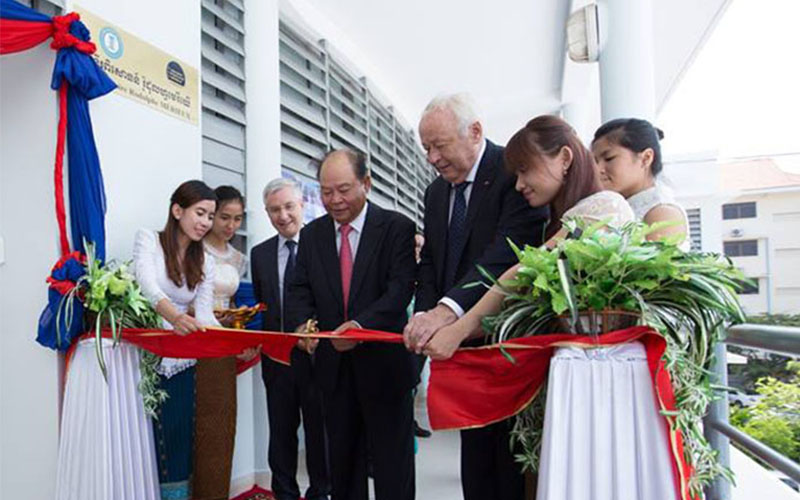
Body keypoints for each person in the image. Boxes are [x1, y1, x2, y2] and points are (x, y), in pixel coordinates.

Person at [425, 116, 678, 500]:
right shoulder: (566, 216)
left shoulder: (603, 207)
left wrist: (458, 327)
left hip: (595, 391)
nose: (521, 184)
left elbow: (522, 274)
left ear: (563, 158)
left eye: (525, 171)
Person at [404, 93, 549, 500]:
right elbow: (432, 260)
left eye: (440, 145)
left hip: (504, 344)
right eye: (426, 147)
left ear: (475, 132)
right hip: (458, 350)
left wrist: (447, 312)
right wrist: (430, 311)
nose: (432, 157)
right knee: (474, 463)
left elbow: (505, 254)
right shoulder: (436, 193)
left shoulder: (513, 175)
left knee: (507, 466)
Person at [285, 150, 417, 500]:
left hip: (386, 367)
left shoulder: (396, 228)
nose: (334, 200)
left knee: (393, 467)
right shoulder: (312, 235)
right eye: (326, 192)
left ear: (366, 184)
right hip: (334, 370)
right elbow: (299, 288)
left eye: (343, 189)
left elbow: (399, 290)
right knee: (342, 467)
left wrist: (358, 328)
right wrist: (302, 324)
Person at [133, 180, 221, 500]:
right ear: (177, 210)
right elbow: (146, 286)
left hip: (182, 359)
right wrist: (175, 317)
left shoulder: (206, 261)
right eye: (200, 213)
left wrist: (234, 340)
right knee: (143, 438)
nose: (205, 223)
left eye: (210, 216)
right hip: (144, 356)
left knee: (176, 437)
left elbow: (206, 316)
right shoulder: (149, 240)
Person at [251, 177, 330, 500]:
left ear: (302, 206)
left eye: (288, 207)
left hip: (317, 357)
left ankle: (321, 491)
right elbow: (263, 305)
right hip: (277, 360)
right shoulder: (260, 254)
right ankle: (284, 492)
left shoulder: (322, 248)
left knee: (318, 432)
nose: (282, 216)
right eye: (274, 210)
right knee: (281, 433)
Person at [195, 185, 257, 500]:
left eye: (237, 218)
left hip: (224, 344)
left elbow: (237, 305)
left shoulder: (239, 257)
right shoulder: (195, 249)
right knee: (196, 422)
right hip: (195, 339)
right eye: (224, 217)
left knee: (222, 419)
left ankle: (218, 490)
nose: (231, 225)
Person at [592, 118, 689, 249]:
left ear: (646, 158)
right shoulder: (613, 206)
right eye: (595, 162)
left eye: (609, 158)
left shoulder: (662, 213)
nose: (598, 169)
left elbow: (652, 268)